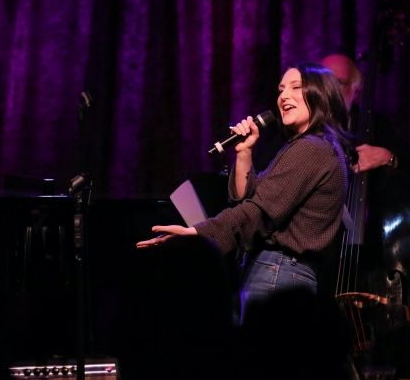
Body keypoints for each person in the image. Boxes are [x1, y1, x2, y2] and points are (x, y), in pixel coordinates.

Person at [137, 63, 353, 322]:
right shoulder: (309, 148)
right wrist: (244, 152)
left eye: (295, 87)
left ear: (321, 94)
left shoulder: (312, 150)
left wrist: (196, 234)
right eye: (281, 89)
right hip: (277, 271)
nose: (283, 95)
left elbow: (255, 212)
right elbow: (249, 199)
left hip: (279, 272)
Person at [320, 53, 405, 173]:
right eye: (322, 81)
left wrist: (388, 158)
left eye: (339, 82)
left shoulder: (377, 124)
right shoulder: (297, 124)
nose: (329, 89)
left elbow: (404, 165)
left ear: (356, 91)